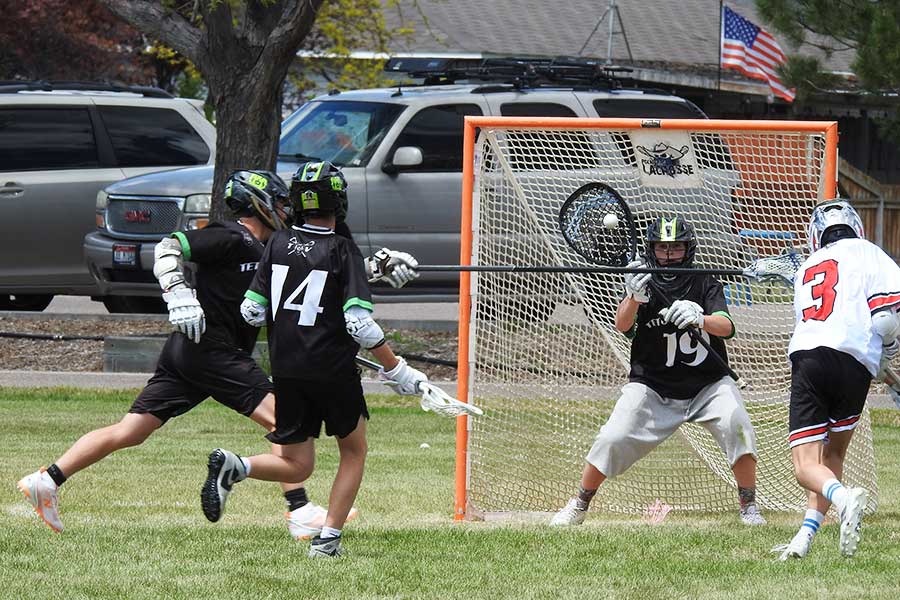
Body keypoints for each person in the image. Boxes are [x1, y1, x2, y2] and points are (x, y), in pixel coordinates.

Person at [16, 169, 419, 539]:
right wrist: (178, 293)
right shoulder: (231, 236)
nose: (284, 210)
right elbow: (168, 246)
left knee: (131, 431)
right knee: (286, 419)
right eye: (279, 203)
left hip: (188, 354)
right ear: (257, 202)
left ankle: (48, 479)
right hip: (212, 349)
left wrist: (376, 268)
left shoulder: (273, 247)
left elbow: (314, 276)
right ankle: (299, 511)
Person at [200, 160, 428, 558]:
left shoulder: (276, 243)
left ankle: (238, 465)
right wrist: (396, 369)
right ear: (338, 201)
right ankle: (327, 541)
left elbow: (251, 312)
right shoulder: (343, 248)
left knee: (299, 464)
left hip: (286, 369)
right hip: (331, 369)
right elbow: (359, 325)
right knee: (354, 451)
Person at [550, 215, 765, 527]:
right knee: (612, 437)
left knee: (739, 426)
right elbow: (622, 325)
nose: (668, 255)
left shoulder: (705, 281)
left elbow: (727, 328)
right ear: (651, 249)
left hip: (708, 385)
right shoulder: (641, 281)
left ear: (688, 249)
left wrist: (700, 318)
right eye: (662, 248)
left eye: (675, 248)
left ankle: (749, 507)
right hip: (651, 387)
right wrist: (633, 299)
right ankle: (579, 504)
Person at [774, 199, 900, 560]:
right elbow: (884, 320)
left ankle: (845, 500)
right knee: (833, 455)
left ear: (817, 234)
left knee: (806, 465)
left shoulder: (808, 266)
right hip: (856, 367)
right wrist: (888, 353)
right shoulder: (871, 252)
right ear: (856, 226)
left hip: (813, 358)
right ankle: (805, 536)